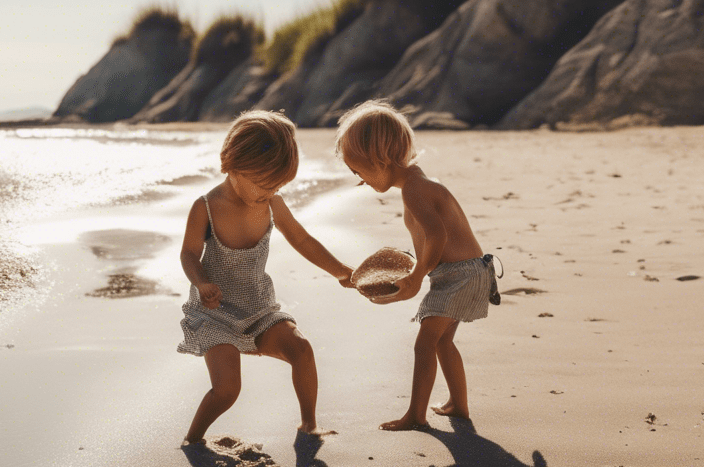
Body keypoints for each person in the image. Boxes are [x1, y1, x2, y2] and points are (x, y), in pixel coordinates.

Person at [179, 111, 354, 444]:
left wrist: (340, 271)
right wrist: (202, 283)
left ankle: (308, 424)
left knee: (301, 349)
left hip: (259, 309)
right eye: (263, 184)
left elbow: (302, 239)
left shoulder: (272, 202)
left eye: (278, 185)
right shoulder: (206, 207)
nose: (269, 192)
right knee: (228, 390)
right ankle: (193, 439)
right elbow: (188, 254)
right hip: (214, 315)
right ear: (233, 165)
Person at [335, 100, 499, 431]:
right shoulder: (419, 183)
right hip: (468, 272)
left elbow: (437, 236)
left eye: (358, 171)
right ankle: (458, 404)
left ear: (378, 158)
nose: (360, 181)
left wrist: (416, 276)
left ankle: (416, 415)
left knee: (424, 343)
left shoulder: (414, 189)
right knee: (441, 341)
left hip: (460, 276)